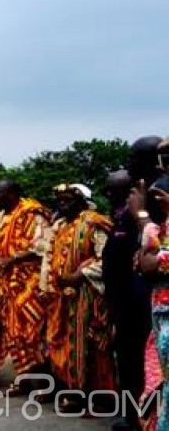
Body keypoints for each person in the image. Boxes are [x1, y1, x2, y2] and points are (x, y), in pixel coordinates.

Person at [46, 184, 114, 412]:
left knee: (89, 345)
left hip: (89, 296)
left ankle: (95, 397)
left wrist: (79, 274)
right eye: (60, 201)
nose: (62, 204)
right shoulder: (60, 226)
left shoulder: (94, 223)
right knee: (64, 343)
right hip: (62, 297)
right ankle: (73, 392)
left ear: (82, 201)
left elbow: (106, 260)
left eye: (68, 200)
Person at [0, 179, 51, 392]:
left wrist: (11, 259)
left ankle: (44, 383)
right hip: (5, 285)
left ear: (11, 194)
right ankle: (24, 378)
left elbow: (42, 246)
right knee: (14, 332)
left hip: (28, 283)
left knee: (33, 331)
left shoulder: (32, 214)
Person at [103, 168, 152, 431]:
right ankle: (131, 414)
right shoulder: (121, 217)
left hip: (136, 304)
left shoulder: (140, 217)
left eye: (115, 190)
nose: (109, 195)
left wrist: (141, 215)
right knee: (126, 361)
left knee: (138, 363)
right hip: (121, 303)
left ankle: (139, 418)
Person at [137, 175, 169, 431]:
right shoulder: (163, 226)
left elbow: (149, 264)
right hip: (160, 311)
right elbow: (143, 262)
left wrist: (144, 219)